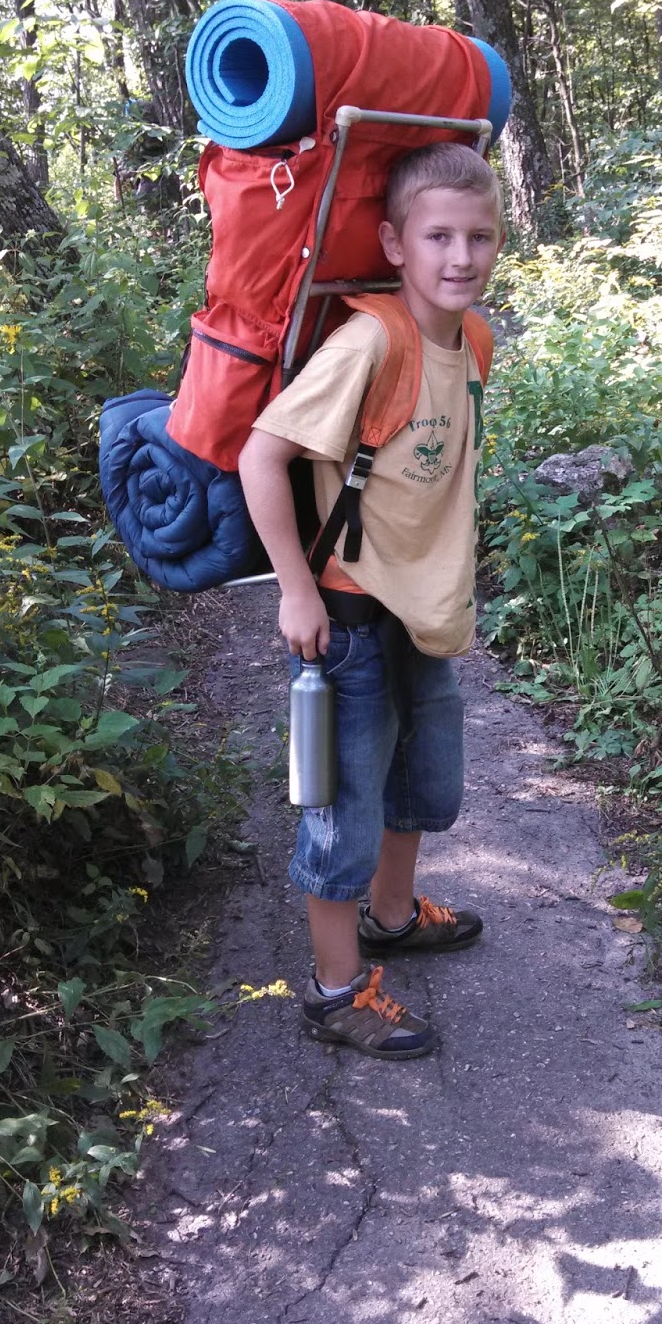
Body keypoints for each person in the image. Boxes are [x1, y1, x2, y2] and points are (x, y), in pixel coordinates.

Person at [238, 140, 504, 1059]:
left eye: (479, 236)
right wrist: (295, 589)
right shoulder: (369, 342)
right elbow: (261, 457)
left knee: (422, 783)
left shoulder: (473, 339)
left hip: (425, 612)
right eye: (439, 236)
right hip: (347, 615)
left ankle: (392, 919)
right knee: (344, 806)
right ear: (395, 243)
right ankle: (335, 988)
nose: (461, 257)